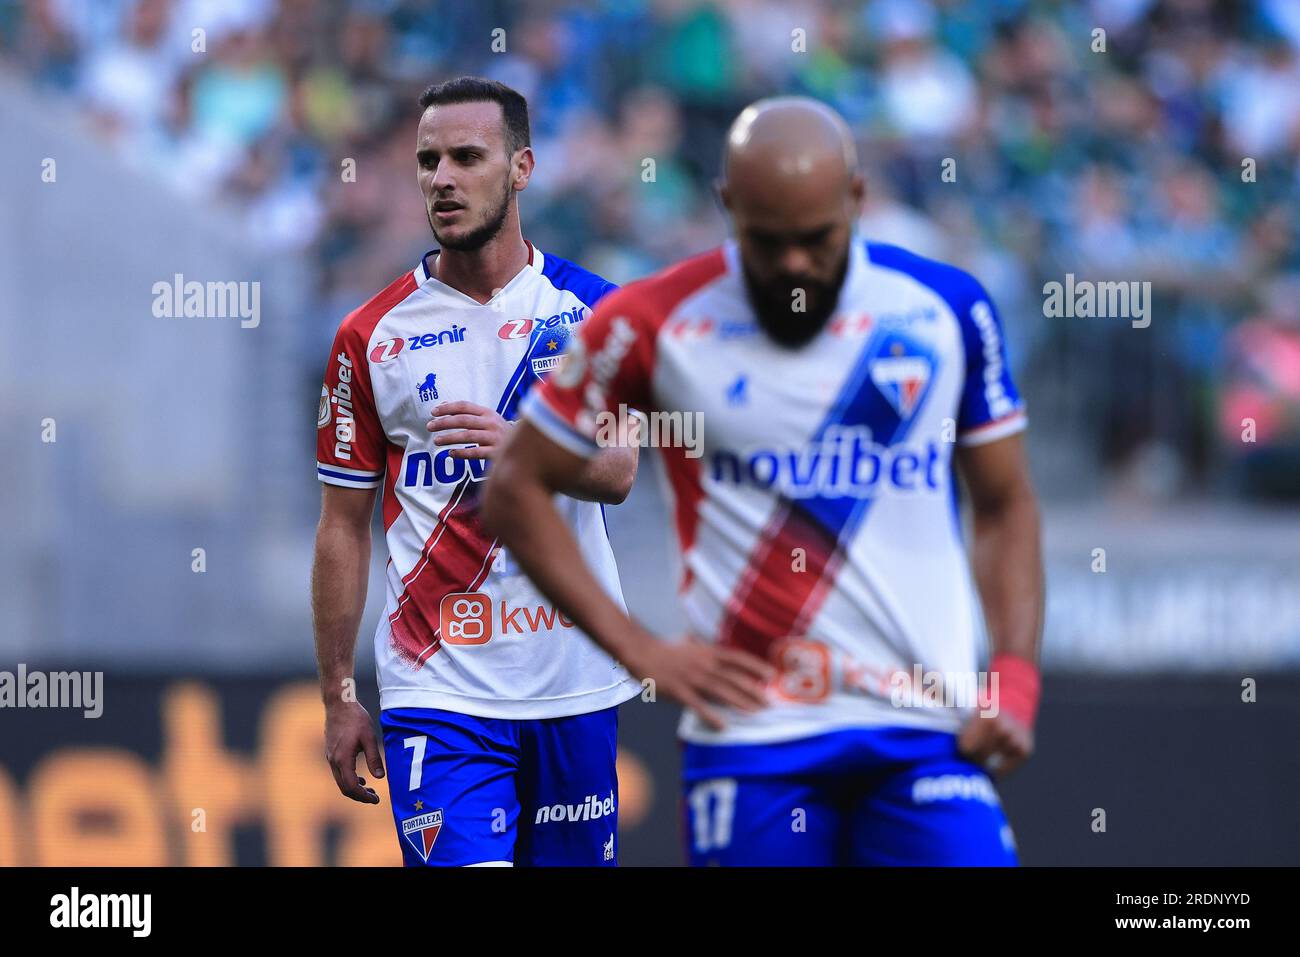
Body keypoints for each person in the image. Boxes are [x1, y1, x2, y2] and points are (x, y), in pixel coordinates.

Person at [483, 96, 1045, 865]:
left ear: (856, 199)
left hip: (923, 730)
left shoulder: (946, 310)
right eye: (767, 241)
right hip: (751, 742)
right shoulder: (651, 320)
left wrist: (1012, 673)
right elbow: (514, 487)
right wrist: (639, 649)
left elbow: (1006, 503)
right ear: (727, 205)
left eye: (815, 241)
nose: (793, 266)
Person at [312, 76, 656, 866]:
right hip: (439, 693)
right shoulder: (370, 335)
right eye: (429, 160)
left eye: (467, 157)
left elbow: (618, 470)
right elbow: (340, 526)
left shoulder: (595, 315)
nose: (443, 178)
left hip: (573, 682)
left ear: (522, 168)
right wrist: (338, 694)